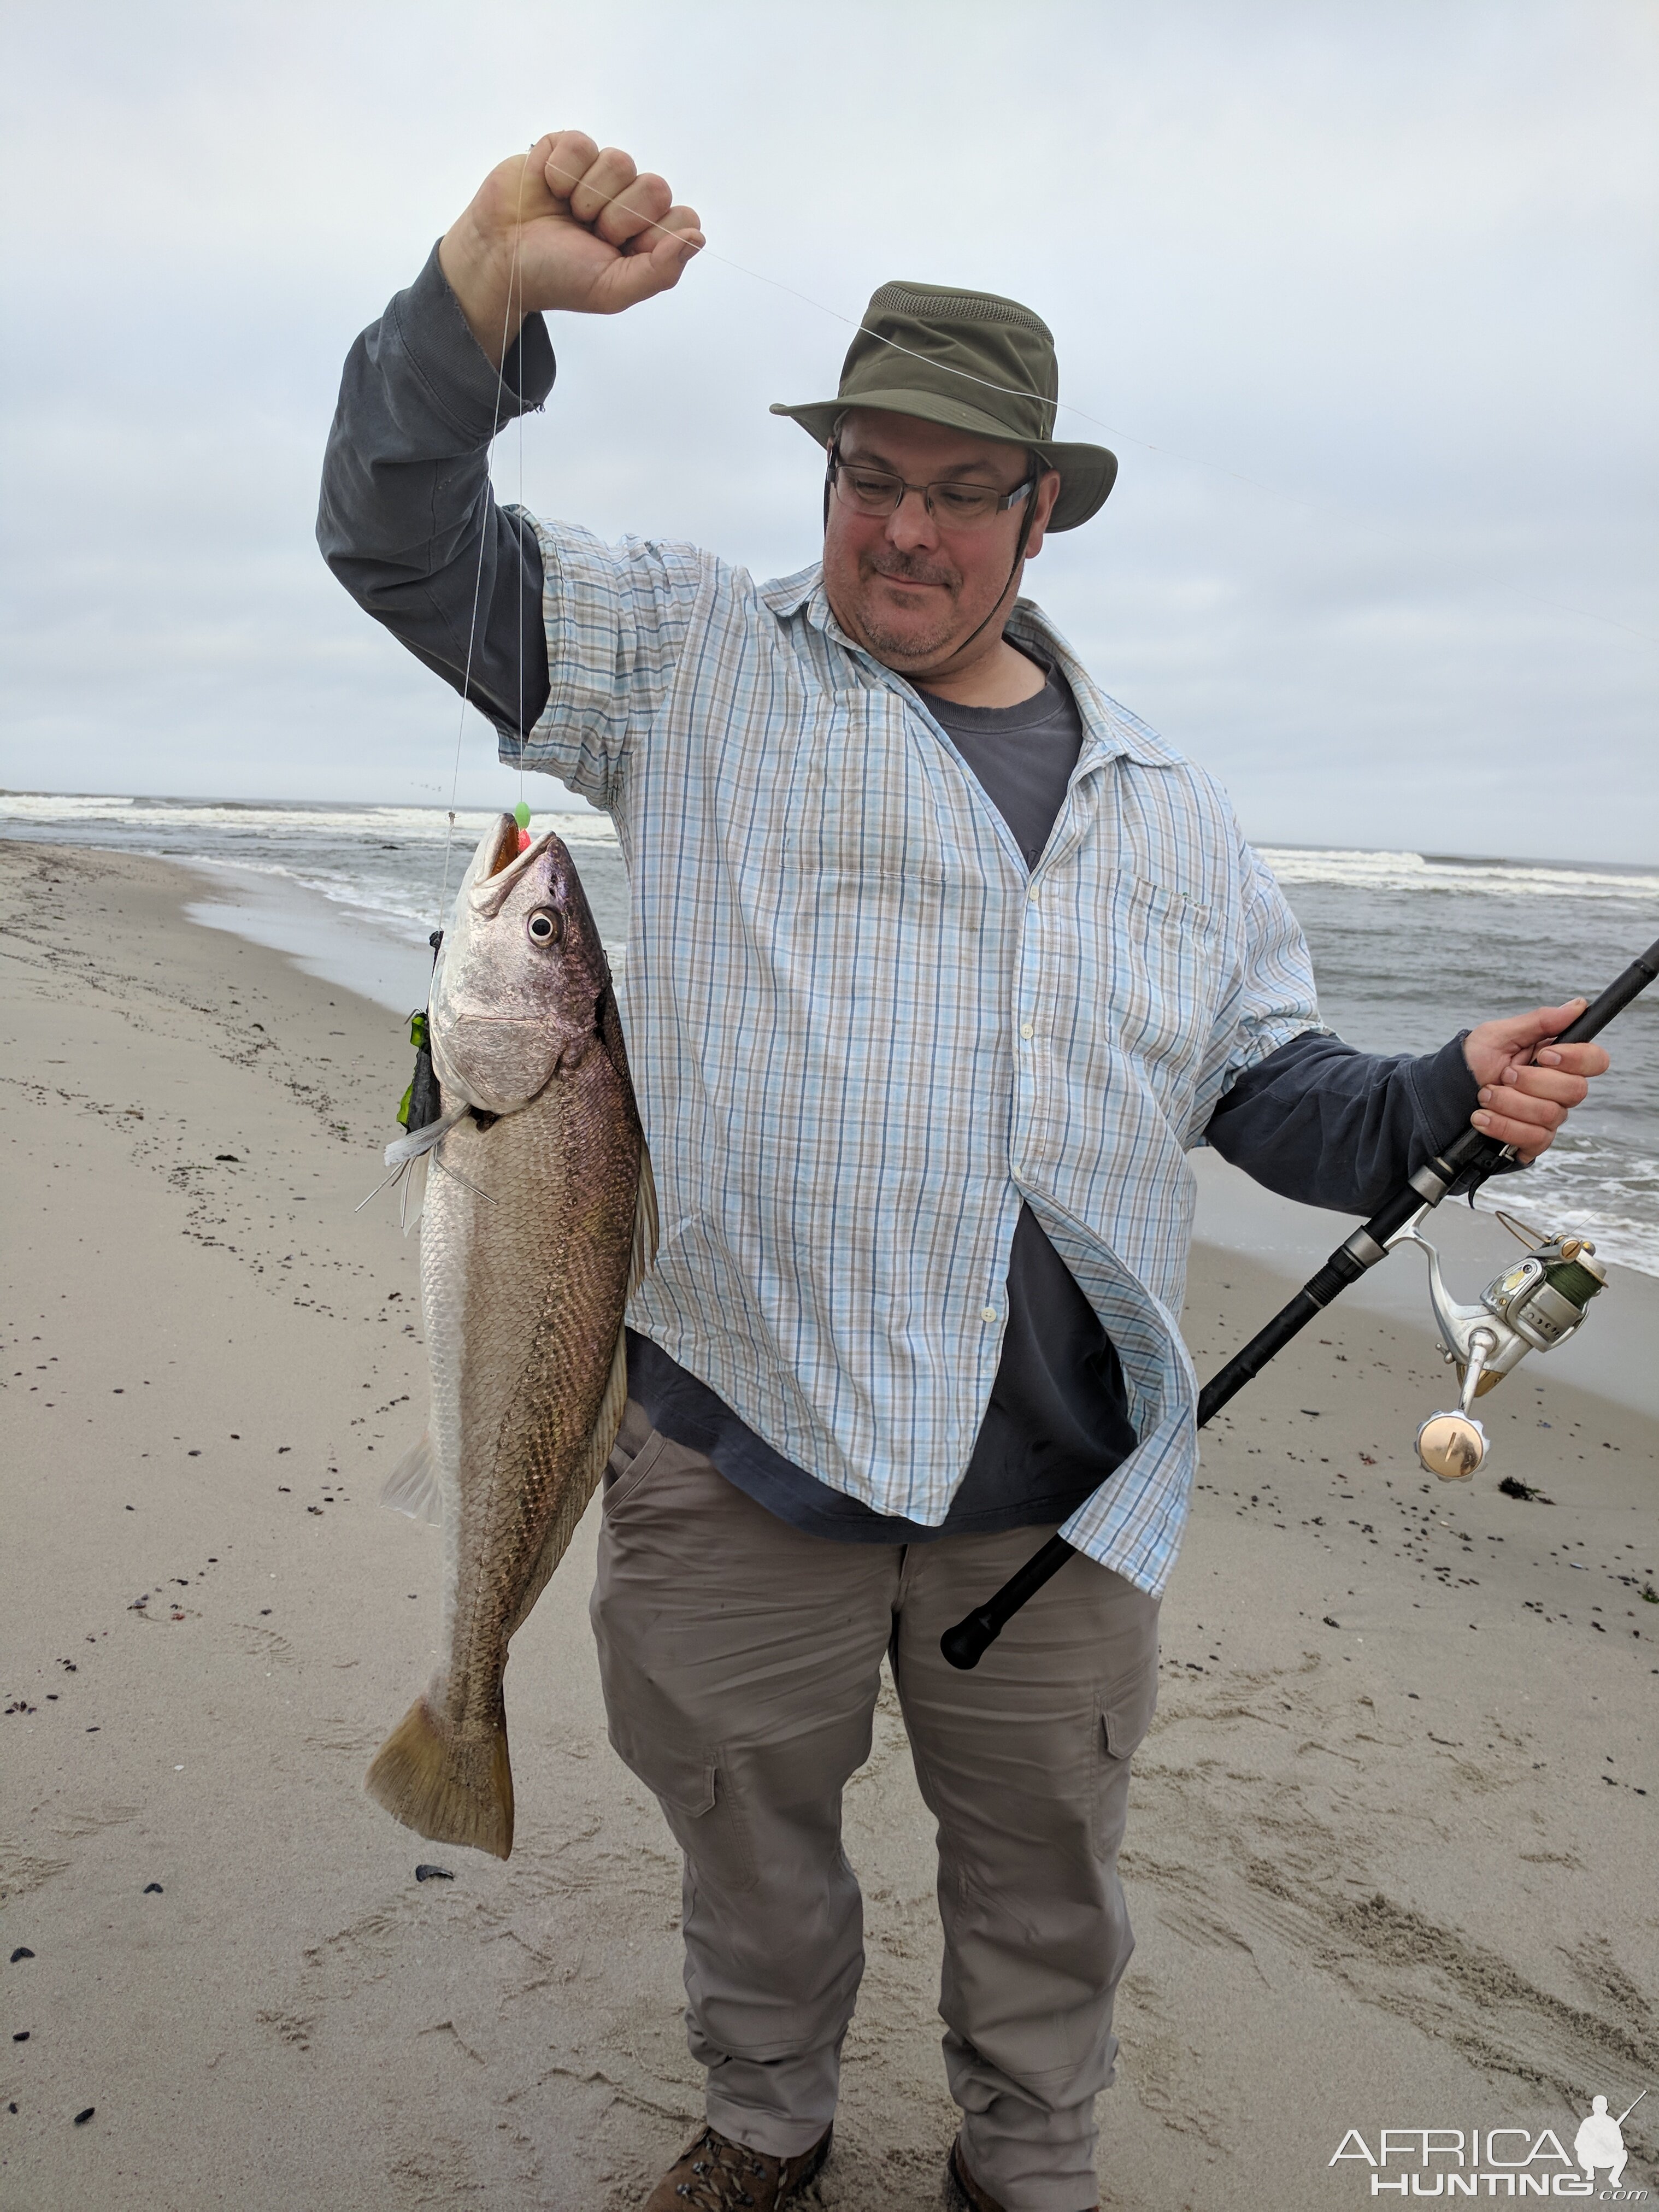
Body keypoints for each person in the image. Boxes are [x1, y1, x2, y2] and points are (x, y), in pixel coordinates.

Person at [317, 132, 1611, 2212]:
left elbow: (1267, 1097)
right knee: (746, 1842)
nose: (901, 529)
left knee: (1045, 1889)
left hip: (1063, 1496)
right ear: (824, 484)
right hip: (744, 1455)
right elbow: (399, 540)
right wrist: (484, 288)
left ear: (1038, 514)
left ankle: (1026, 2165)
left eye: (954, 490)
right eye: (867, 479)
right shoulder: (685, 666)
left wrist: (1435, 1086)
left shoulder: (1170, 812)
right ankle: (767, 2124)